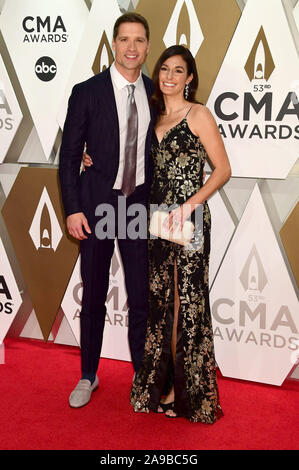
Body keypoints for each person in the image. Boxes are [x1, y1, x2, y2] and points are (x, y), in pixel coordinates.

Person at [83, 45, 231, 423]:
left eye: (178, 71)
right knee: (161, 304)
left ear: (190, 78)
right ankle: (164, 385)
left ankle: (186, 394)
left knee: (188, 302)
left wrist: (190, 205)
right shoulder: (153, 115)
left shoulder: (199, 115)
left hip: (189, 219)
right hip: (155, 220)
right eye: (164, 69)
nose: (169, 77)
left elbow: (223, 170)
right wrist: (89, 153)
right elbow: (123, 147)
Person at [59, 12, 155, 408]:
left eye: (139, 40)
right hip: (97, 205)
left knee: (141, 298)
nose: (131, 47)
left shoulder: (156, 91)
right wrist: (72, 209)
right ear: (113, 44)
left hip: (137, 207)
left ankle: (142, 378)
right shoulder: (87, 91)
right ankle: (88, 375)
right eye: (124, 39)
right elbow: (68, 157)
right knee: (94, 293)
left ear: (147, 47)